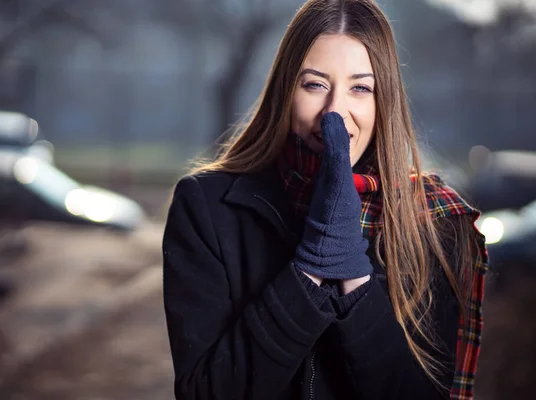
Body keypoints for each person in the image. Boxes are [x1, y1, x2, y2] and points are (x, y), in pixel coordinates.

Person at [162, 0, 488, 399]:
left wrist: (354, 275)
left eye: (360, 88)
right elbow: (205, 393)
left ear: (383, 100)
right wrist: (309, 271)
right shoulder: (208, 207)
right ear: (286, 91)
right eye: (314, 84)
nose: (335, 111)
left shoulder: (435, 220)